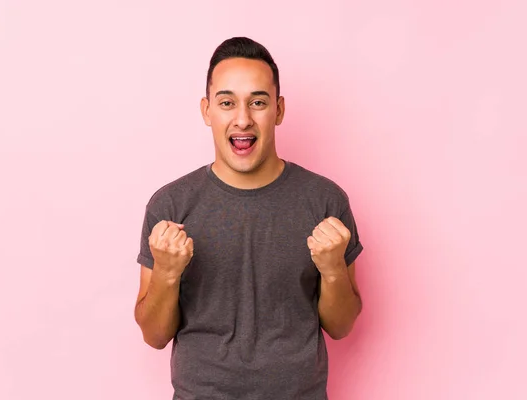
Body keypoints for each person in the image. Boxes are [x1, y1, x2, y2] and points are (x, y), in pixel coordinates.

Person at [134, 36, 364, 400]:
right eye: (227, 103)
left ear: (279, 110)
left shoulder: (326, 201)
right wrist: (165, 272)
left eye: (258, 102)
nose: (243, 119)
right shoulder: (169, 206)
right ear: (207, 111)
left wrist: (334, 268)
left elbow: (342, 326)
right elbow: (154, 335)